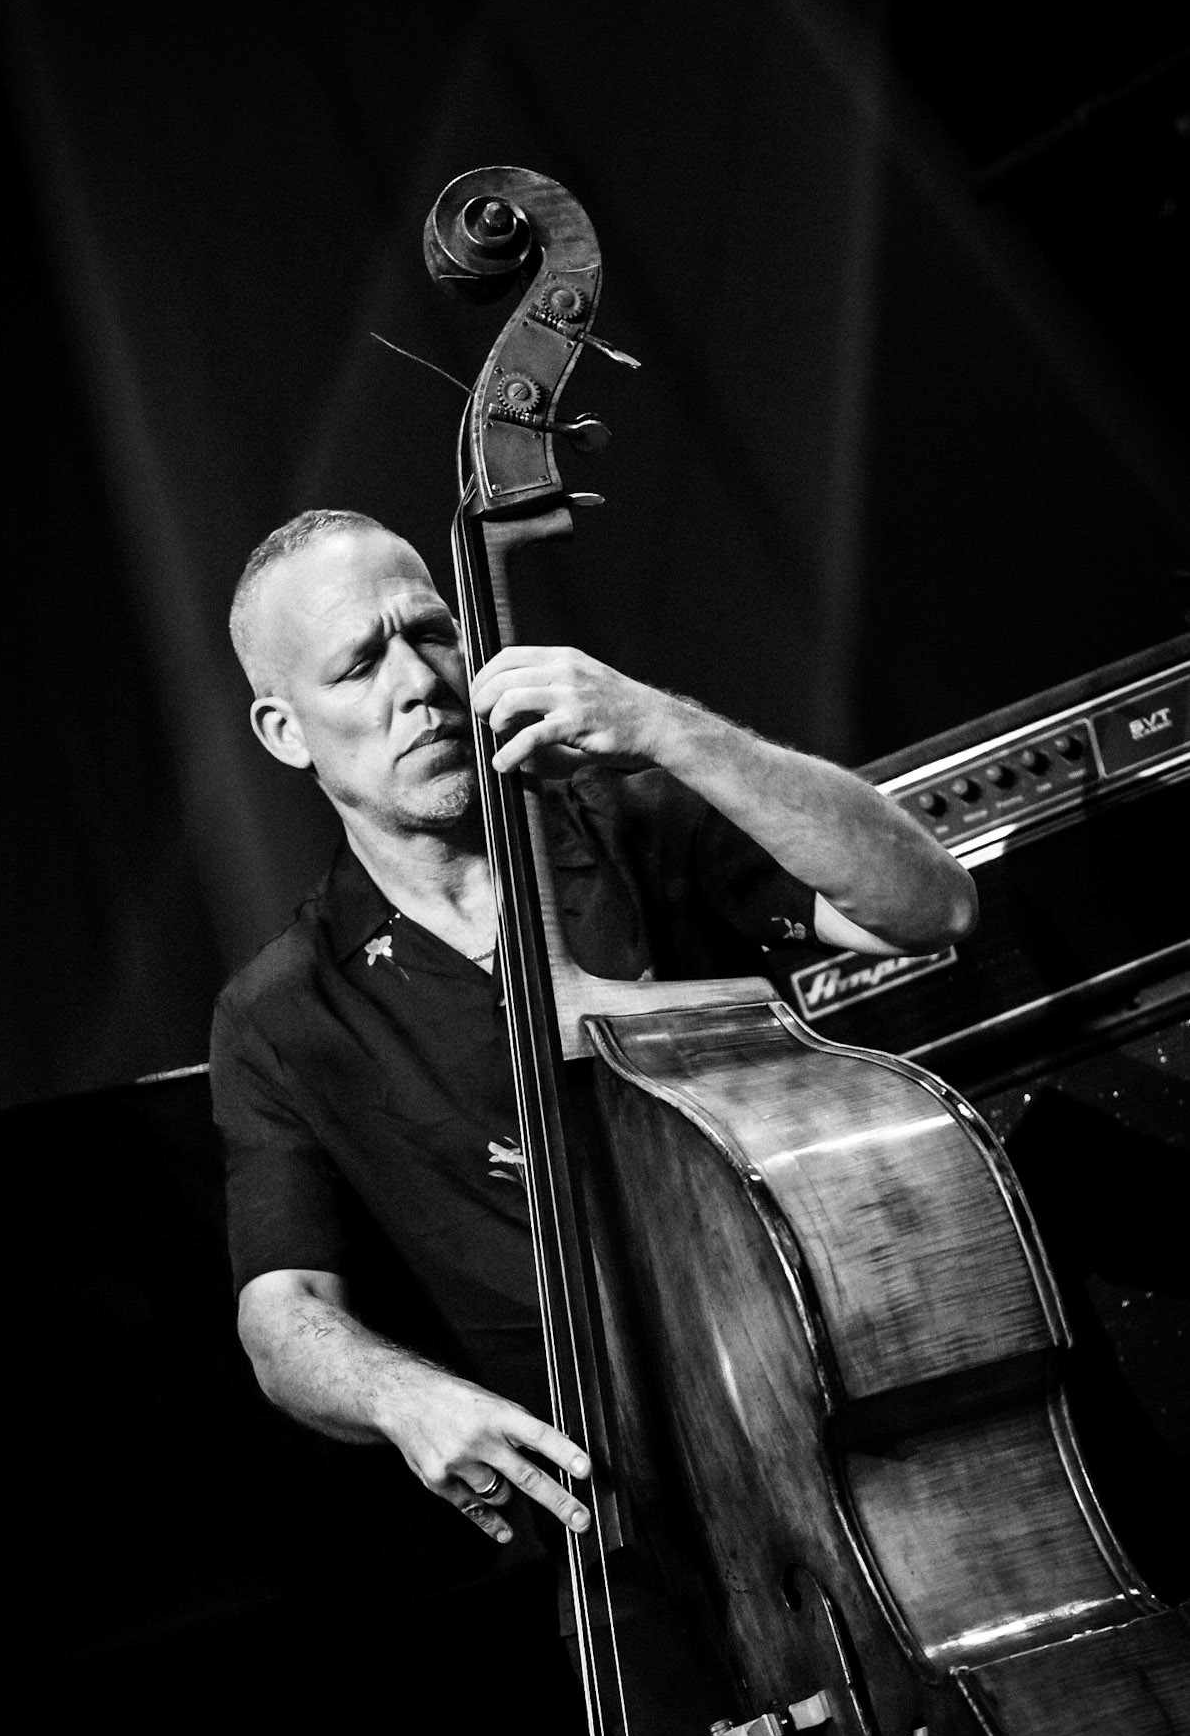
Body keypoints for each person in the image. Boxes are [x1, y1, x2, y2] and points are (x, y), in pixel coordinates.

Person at [209, 508, 977, 1561]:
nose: (420, 682)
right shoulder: (283, 1015)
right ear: (285, 730)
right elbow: (282, 1314)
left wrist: (668, 726)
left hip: (857, 1422)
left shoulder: (636, 816)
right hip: (616, 1531)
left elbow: (930, 905)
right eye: (356, 666)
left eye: (432, 631)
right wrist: (399, 1394)